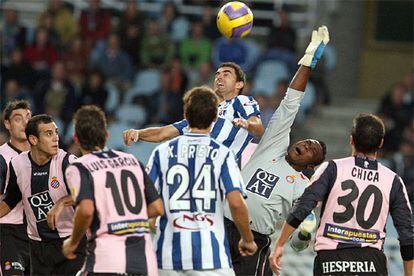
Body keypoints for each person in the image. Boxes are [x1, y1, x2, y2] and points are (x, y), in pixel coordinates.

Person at [224, 26, 329, 276]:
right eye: (306, 141)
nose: (304, 144)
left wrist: (303, 236)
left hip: (255, 240)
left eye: (311, 149)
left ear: (309, 167)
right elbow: (291, 101)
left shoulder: (303, 188)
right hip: (224, 225)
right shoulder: (274, 144)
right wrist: (308, 61)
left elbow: (299, 239)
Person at [269, 113, 414, 276]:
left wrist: (280, 244)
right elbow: (407, 234)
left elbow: (304, 206)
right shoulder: (393, 180)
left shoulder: (332, 168)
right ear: (380, 143)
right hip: (372, 264)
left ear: (351, 139)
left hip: (331, 262)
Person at [146, 86, 258, 275]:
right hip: (210, 258)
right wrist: (247, 239)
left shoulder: (162, 152)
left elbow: (145, 199)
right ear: (215, 118)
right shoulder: (223, 154)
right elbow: (237, 203)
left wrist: (152, 222)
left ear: (185, 114)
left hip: (166, 257)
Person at [62, 105, 164, 275]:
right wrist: (128, 218)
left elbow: (86, 210)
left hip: (106, 260)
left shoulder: (79, 167)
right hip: (145, 262)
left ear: (76, 138)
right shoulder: (131, 160)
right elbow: (157, 207)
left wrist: (72, 243)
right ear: (106, 135)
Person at [123, 62, 265, 160]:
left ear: (239, 84)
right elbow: (162, 133)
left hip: (218, 174)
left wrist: (245, 123)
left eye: (226, 74)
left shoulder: (240, 102)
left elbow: (258, 128)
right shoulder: (205, 111)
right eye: (217, 74)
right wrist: (138, 133)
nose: (219, 77)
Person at [0, 114, 86, 275]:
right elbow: (11, 200)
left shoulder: (68, 162)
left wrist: (61, 203)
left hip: (71, 244)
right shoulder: (17, 164)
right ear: (33, 140)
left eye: (56, 132)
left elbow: (86, 193)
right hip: (39, 248)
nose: (56, 138)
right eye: (48, 134)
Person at [0, 100, 31, 275]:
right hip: (9, 232)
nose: (25, 123)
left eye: (28, 118)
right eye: (18, 119)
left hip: (39, 235)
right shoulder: (2, 158)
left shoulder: (47, 156)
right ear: (7, 124)